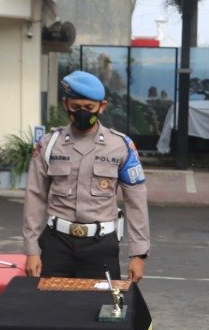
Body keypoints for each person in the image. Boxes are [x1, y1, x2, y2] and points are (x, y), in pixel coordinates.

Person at [23, 71, 149, 281]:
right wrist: (32, 250)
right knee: (51, 309)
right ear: (65, 104)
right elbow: (35, 196)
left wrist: (138, 254)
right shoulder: (49, 144)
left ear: (102, 106)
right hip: (56, 244)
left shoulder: (120, 146)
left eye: (89, 108)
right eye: (75, 107)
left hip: (100, 246)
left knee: (101, 310)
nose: (82, 113)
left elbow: (136, 200)